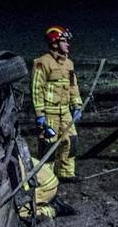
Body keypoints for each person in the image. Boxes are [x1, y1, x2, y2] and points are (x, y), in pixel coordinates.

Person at [30, 25, 82, 180]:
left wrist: (77, 105)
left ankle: (66, 173)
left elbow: (73, 86)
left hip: (65, 111)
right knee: (48, 146)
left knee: (71, 141)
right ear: (54, 43)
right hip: (49, 113)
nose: (68, 44)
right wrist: (40, 114)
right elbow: (36, 89)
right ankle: (47, 178)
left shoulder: (69, 64)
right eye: (64, 41)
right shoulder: (42, 62)